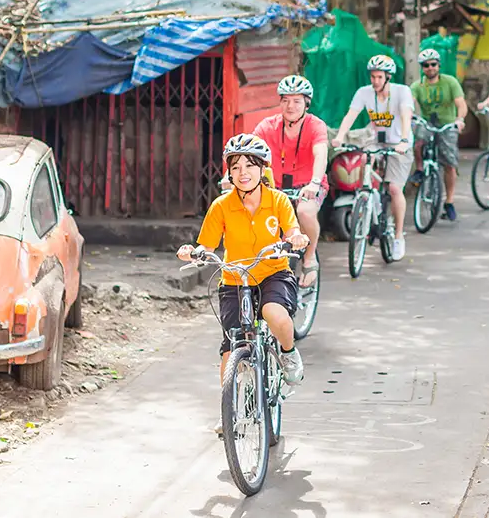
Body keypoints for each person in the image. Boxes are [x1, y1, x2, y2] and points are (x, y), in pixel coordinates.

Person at [177, 133, 309, 390]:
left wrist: (297, 238)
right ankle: (228, 412)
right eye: (235, 167)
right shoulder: (221, 205)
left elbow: (291, 231)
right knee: (231, 346)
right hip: (234, 278)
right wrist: (193, 252)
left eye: (250, 165)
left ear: (262, 169)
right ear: (229, 173)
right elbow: (207, 244)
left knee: (274, 313)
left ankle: (288, 353)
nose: (243, 172)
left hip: (273, 273)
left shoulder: (278, 201)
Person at [331, 54, 414, 261]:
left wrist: (404, 139)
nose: (375, 81)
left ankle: (398, 237)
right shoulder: (364, 93)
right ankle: (368, 199)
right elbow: (351, 114)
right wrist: (340, 136)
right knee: (361, 165)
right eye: (372, 77)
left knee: (394, 188)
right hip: (375, 139)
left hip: (398, 142)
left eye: (379, 77)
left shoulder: (402, 92)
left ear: (388, 77)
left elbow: (406, 115)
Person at [252, 75, 329, 289]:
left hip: (308, 187)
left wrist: (314, 183)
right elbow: (248, 152)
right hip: (275, 188)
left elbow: (321, 153)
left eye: (296, 101)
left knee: (305, 212)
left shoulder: (316, 126)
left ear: (307, 103)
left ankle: (310, 257)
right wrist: (229, 178)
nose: (290, 105)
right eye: (285, 100)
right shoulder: (268, 126)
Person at [409, 49, 468, 222]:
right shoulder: (417, 85)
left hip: (447, 123)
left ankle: (449, 202)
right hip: (428, 122)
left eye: (433, 64)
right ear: (422, 68)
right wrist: (409, 115)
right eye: (426, 65)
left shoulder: (450, 82)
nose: (430, 68)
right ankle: (420, 169)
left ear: (439, 65)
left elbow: (461, 104)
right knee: (418, 142)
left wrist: (459, 119)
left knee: (449, 164)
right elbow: (409, 103)